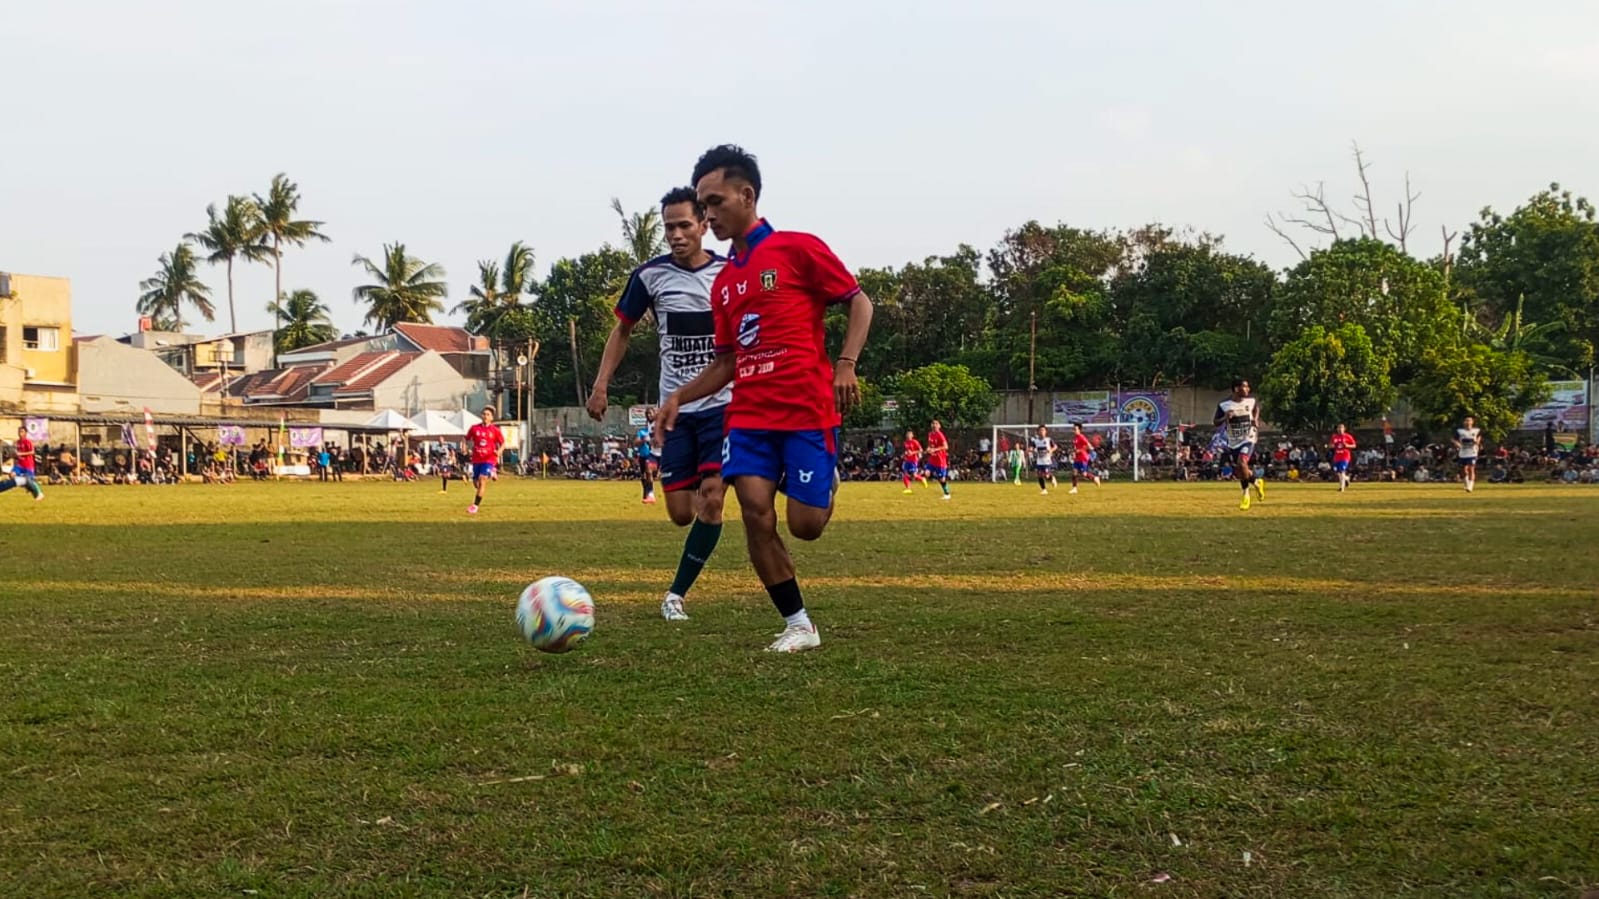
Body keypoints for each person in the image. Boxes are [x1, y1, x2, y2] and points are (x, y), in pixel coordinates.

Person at [655, 144, 874, 653]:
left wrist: (846, 364)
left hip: (805, 410)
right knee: (754, 510)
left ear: (746, 194)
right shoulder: (724, 284)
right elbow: (727, 362)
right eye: (702, 205)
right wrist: (679, 398)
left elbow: (858, 302)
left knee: (806, 526)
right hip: (749, 414)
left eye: (714, 201)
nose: (707, 214)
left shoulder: (798, 249)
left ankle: (824, 481)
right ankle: (799, 623)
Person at [588, 186, 730, 621]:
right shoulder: (649, 276)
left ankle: (675, 595)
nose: (675, 234)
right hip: (675, 412)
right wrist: (600, 384)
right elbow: (623, 330)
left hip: (724, 405)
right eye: (669, 227)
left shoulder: (730, 272)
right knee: (681, 513)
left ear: (705, 225)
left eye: (684, 225)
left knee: (712, 500)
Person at [1214, 379, 1264, 510]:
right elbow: (1215, 422)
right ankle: (1257, 482)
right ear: (1236, 389)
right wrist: (1225, 417)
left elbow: (1256, 408)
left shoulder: (1251, 401)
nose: (1248, 389)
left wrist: (1255, 419)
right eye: (1245, 387)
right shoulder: (1224, 404)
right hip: (1234, 441)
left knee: (1242, 463)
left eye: (1248, 387)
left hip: (1249, 437)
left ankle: (1245, 494)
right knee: (1242, 470)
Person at [465, 407, 505, 514]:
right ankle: (493, 472)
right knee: (476, 483)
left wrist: (499, 451)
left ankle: (475, 506)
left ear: (492, 418)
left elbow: (503, 443)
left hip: (489, 459)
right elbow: (467, 439)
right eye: (484, 414)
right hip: (477, 459)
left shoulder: (495, 431)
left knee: (482, 479)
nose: (485, 416)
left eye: (488, 414)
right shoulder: (474, 428)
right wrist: (465, 447)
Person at [1, 427, 44, 502]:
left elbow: (32, 452)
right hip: (20, 465)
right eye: (19, 431)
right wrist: (14, 455)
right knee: (12, 474)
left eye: (22, 431)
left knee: (28, 479)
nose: (20, 433)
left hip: (28, 465)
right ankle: (26, 485)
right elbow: (16, 454)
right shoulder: (17, 442)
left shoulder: (28, 442)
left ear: (25, 433)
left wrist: (21, 453)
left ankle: (37, 491)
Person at [635, 410, 659, 505]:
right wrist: (645, 440)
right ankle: (650, 495)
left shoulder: (659, 423)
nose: (649, 415)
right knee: (647, 472)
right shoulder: (645, 429)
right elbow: (637, 442)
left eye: (651, 413)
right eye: (647, 414)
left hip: (663, 454)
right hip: (651, 455)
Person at [1454, 415, 1482, 493]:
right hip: (1462, 453)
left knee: (1471, 468)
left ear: (1472, 422)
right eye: (1466, 420)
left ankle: (1470, 486)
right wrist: (1457, 444)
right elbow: (1454, 439)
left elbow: (1479, 438)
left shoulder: (1477, 430)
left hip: (1472, 453)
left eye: (1469, 420)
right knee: (1463, 470)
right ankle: (1466, 483)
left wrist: (1477, 442)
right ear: (1464, 422)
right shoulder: (1459, 431)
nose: (1468, 422)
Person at [925, 419, 951, 500]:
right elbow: (930, 445)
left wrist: (935, 450)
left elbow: (946, 446)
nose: (934, 425)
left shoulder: (940, 435)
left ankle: (947, 494)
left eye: (936, 424)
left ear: (939, 426)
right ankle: (932, 478)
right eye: (933, 423)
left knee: (941, 479)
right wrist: (928, 449)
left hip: (940, 460)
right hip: (932, 459)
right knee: (926, 473)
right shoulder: (930, 434)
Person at [1069, 423, 1098, 494]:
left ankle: (1094, 478)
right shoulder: (1075, 438)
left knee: (1084, 474)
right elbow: (1075, 448)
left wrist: (1082, 450)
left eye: (1075, 429)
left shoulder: (1081, 437)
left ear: (1079, 430)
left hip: (1083, 458)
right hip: (1077, 458)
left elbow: (1088, 445)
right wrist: (1074, 453)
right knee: (1074, 472)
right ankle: (1074, 488)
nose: (1074, 430)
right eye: (1073, 429)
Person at [1030, 425, 1056, 495]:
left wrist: (1051, 450)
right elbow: (1031, 448)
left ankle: (1052, 478)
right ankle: (1044, 489)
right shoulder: (1035, 441)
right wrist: (1031, 450)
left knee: (1047, 476)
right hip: (1039, 461)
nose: (1042, 432)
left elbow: (1055, 446)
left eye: (1043, 430)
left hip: (1047, 461)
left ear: (1046, 432)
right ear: (1038, 432)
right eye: (1040, 430)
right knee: (1039, 475)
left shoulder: (1048, 440)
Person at [1330, 423, 1357, 492]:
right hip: (1337, 456)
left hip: (1345, 456)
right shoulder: (1334, 437)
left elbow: (1354, 445)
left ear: (1344, 429)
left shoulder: (1348, 436)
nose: (1340, 429)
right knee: (1338, 472)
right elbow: (1331, 445)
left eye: (1341, 428)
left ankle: (1342, 487)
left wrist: (1347, 445)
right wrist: (1332, 446)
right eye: (1338, 428)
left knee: (1342, 470)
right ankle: (1347, 478)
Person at [899, 429, 923, 494]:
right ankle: (908, 488)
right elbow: (906, 451)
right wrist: (904, 455)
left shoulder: (915, 442)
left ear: (912, 436)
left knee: (914, 475)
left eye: (909, 434)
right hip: (907, 460)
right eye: (907, 434)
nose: (908, 436)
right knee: (905, 474)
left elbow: (921, 450)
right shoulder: (905, 443)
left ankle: (922, 479)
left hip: (914, 460)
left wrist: (913, 452)